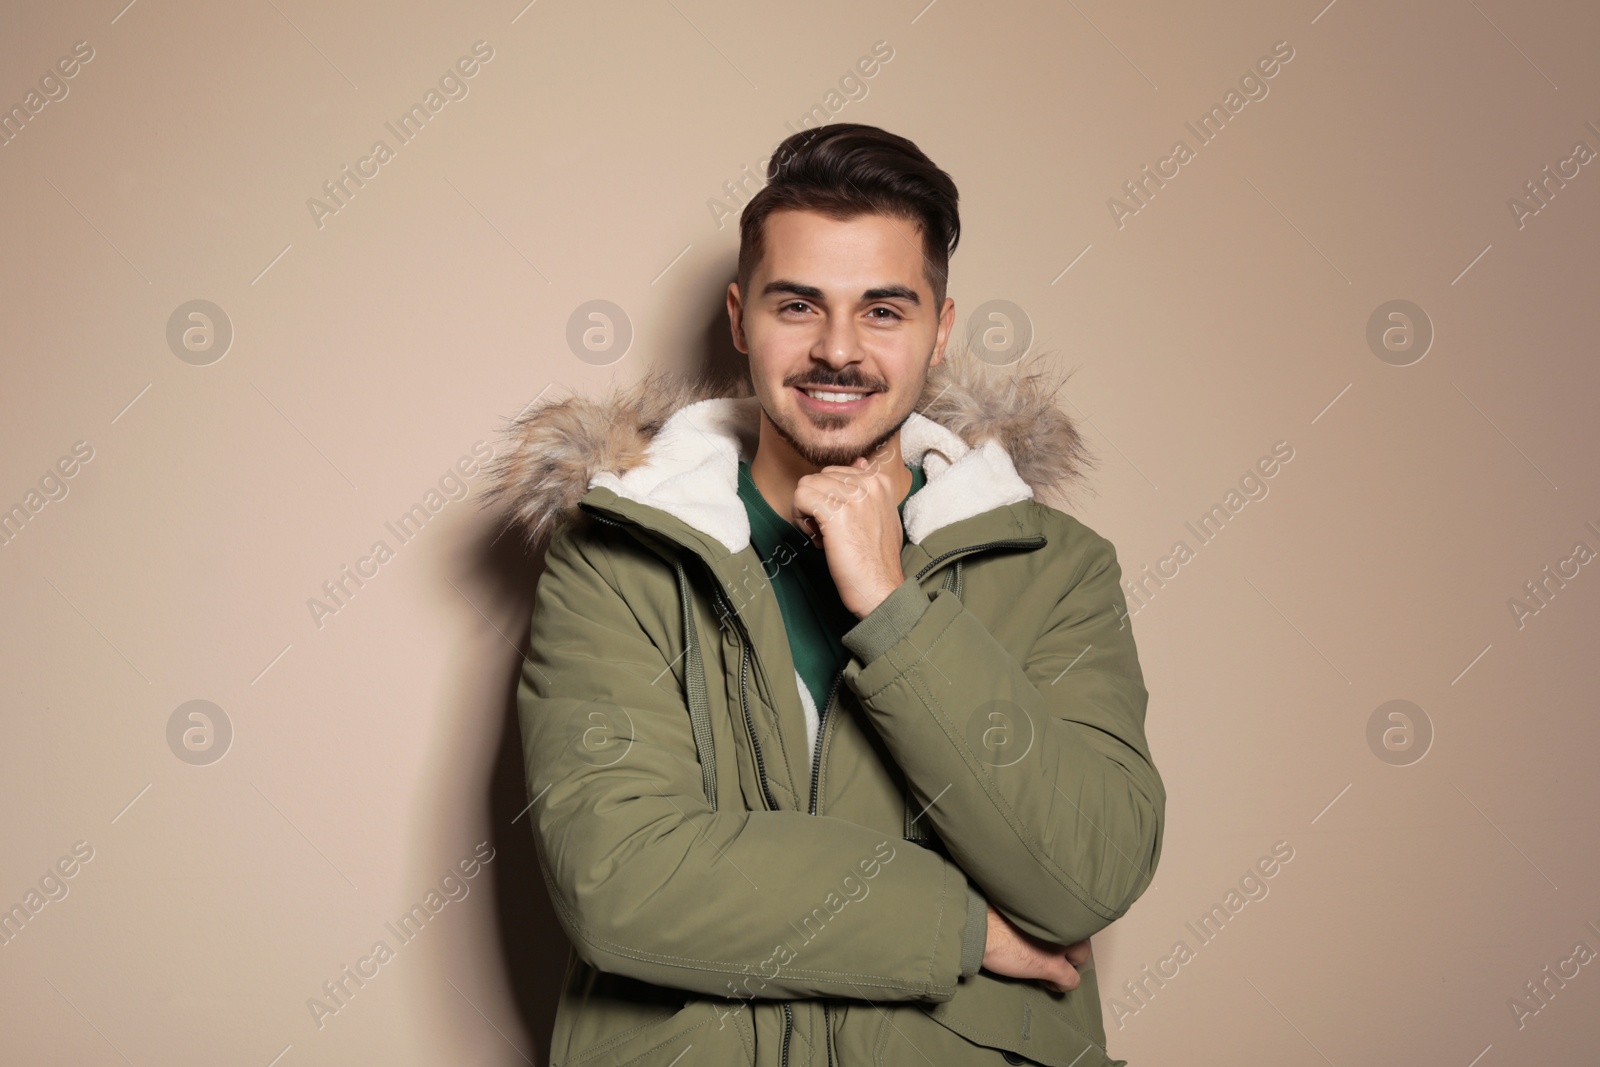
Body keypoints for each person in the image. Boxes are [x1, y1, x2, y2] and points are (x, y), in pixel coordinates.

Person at [485, 123, 1164, 1067]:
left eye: (884, 310)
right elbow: (623, 880)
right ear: (738, 318)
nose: (838, 351)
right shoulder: (617, 556)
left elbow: (1085, 870)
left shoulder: (1056, 568)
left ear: (941, 326)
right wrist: (964, 929)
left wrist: (893, 606)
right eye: (798, 305)